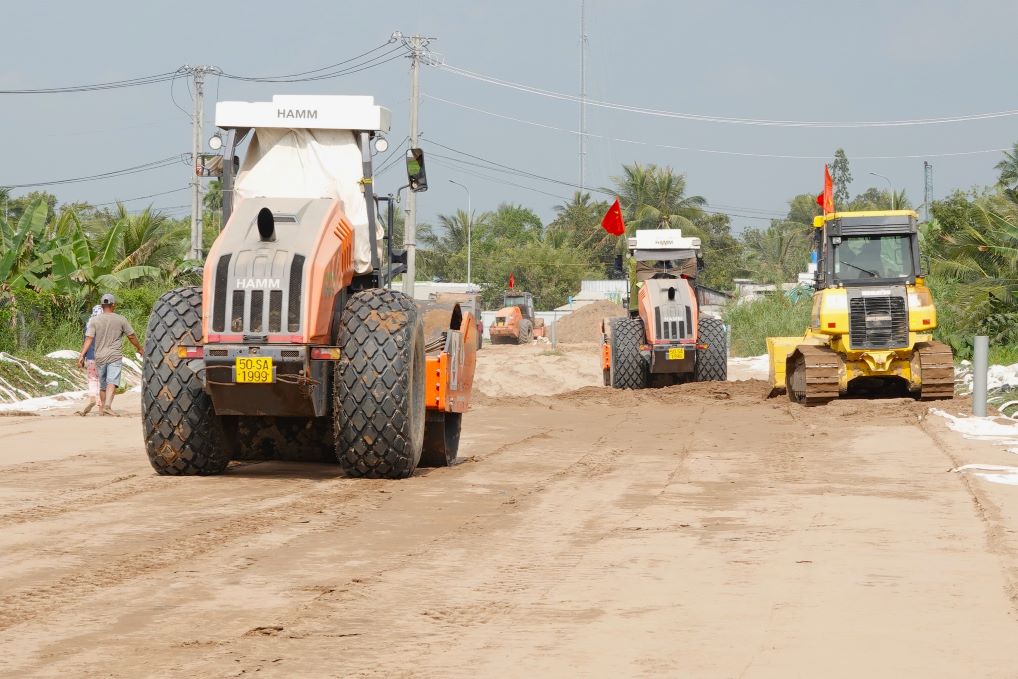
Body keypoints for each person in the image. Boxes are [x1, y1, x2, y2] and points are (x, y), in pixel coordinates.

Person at [77, 293, 143, 416]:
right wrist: (139, 348)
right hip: (114, 355)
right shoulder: (120, 319)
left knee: (102, 384)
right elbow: (131, 336)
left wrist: (81, 355)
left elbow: (89, 339)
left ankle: (102, 409)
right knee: (111, 381)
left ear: (102, 306)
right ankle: (107, 406)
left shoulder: (94, 320)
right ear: (113, 305)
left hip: (100, 356)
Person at [76, 305, 103, 416]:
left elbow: (85, 342)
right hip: (103, 358)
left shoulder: (88, 325)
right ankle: (101, 407)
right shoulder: (104, 325)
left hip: (91, 358)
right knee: (102, 382)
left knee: (92, 379)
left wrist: (82, 357)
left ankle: (92, 397)